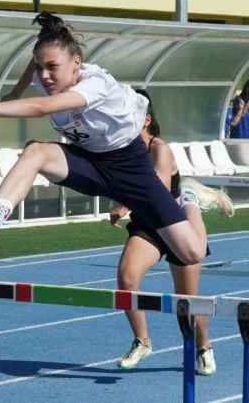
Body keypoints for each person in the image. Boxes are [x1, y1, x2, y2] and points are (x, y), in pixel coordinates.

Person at [0, 12, 231, 265]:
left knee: (190, 254)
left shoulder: (94, 84)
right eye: (40, 67)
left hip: (131, 168)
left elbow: (41, 108)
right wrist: (15, 91)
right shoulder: (46, 74)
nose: (44, 76)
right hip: (91, 162)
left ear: (77, 62)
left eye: (52, 67)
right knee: (36, 152)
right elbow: (32, 71)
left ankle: (190, 197)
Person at [110, 89, 219, 375]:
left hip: (176, 223)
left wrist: (123, 205)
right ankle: (142, 340)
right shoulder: (123, 150)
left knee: (187, 301)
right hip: (148, 225)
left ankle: (204, 347)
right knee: (127, 278)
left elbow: (155, 185)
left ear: (145, 120)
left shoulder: (160, 147)